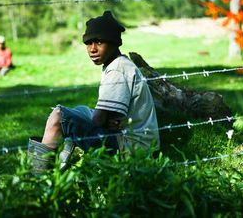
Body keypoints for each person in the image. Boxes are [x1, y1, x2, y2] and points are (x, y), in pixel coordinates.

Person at [28, 10, 160, 174]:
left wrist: (103, 120)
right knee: (80, 110)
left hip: (132, 148)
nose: (92, 49)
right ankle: (61, 165)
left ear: (113, 42)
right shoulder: (118, 64)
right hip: (137, 141)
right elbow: (105, 117)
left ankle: (37, 177)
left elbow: (98, 120)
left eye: (99, 42)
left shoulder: (117, 71)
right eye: (89, 43)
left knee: (59, 116)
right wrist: (106, 120)